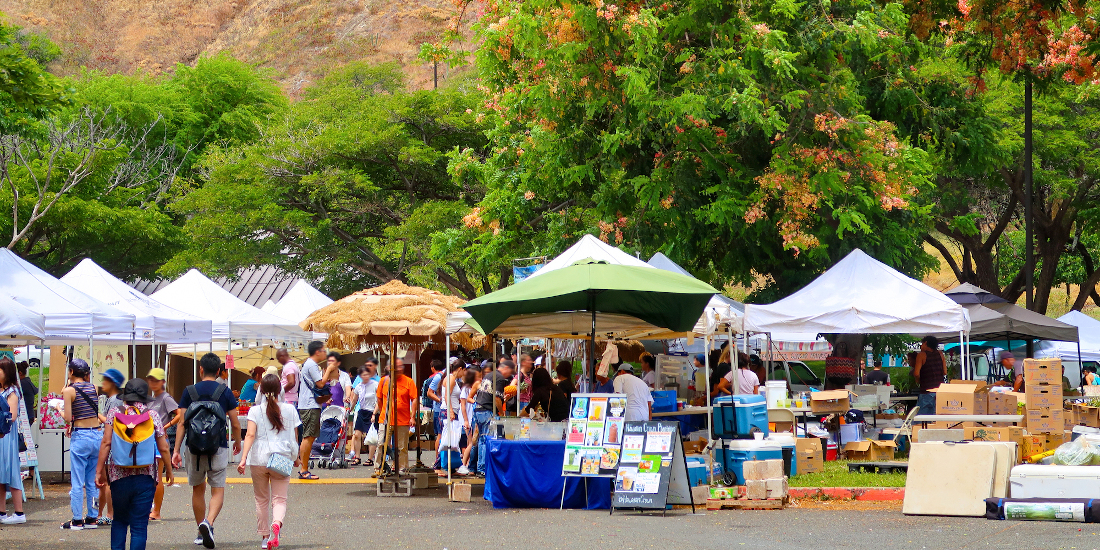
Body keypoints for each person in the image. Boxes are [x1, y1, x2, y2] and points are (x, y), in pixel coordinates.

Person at [173, 352, 242, 549]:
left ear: (200, 369)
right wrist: (237, 442)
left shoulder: (189, 391)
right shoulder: (225, 392)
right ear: (219, 371)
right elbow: (235, 423)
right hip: (217, 446)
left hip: (193, 447)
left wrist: (176, 449)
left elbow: (181, 423)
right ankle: (209, 524)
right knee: (217, 490)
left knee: (197, 489)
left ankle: (199, 531)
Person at [95, 378, 173, 550]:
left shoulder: (114, 413)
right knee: (139, 525)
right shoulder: (152, 415)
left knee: (120, 521)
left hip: (118, 476)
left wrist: (99, 470)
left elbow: (106, 443)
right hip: (145, 477)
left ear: (126, 396)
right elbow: (164, 447)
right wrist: (169, 470)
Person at [237, 375, 300, 550]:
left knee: (261, 499)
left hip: (258, 458)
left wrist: (243, 459)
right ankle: (277, 524)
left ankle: (265, 537)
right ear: (280, 390)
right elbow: (295, 437)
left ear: (261, 390)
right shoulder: (290, 409)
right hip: (282, 457)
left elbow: (249, 435)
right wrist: (297, 458)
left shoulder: (255, 411)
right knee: (279, 499)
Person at [61, 358, 102, 531]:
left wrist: (58, 409)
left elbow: (69, 417)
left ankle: (77, 520)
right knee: (92, 480)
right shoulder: (94, 387)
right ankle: (92, 517)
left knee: (77, 481)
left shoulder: (69, 390)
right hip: (97, 435)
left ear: (71, 372)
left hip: (81, 437)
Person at [296, 341, 337, 480]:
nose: (325, 353)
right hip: (309, 405)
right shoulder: (312, 365)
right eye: (323, 351)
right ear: (317, 352)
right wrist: (330, 370)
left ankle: (304, 467)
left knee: (309, 436)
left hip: (308, 404)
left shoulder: (309, 364)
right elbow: (320, 384)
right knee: (308, 437)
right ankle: (304, 469)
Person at [145, 368, 180, 521]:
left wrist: (165, 426)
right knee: (149, 476)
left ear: (163, 382)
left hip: (159, 438)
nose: (152, 383)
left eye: (155, 380)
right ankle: (151, 508)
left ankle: (157, 511)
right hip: (148, 438)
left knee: (157, 476)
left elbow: (179, 414)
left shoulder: (166, 397)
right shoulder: (151, 398)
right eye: (150, 380)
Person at [374, 358, 418, 474]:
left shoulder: (409, 381)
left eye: (401, 367)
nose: (399, 369)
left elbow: (414, 399)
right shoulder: (384, 381)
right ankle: (379, 467)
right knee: (381, 443)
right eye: (396, 367)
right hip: (385, 419)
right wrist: (384, 409)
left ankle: (401, 467)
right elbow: (379, 397)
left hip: (403, 419)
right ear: (389, 368)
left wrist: (412, 416)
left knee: (402, 447)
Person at [473, 360, 513, 476]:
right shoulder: (499, 378)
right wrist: (501, 413)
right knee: (486, 440)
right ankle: (483, 468)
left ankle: (480, 467)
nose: (509, 375)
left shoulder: (490, 375)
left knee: (482, 439)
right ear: (505, 368)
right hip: (487, 410)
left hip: (478, 409)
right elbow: (496, 398)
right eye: (509, 372)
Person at [97, 367, 126, 527]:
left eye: (105, 380)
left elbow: (109, 421)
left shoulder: (115, 400)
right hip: (114, 442)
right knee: (105, 480)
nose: (103, 383)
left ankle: (110, 513)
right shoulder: (114, 398)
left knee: (108, 481)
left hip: (112, 443)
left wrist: (96, 414)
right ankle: (102, 512)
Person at [0, 357, 26, 525]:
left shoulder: (12, 392)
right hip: (2, 435)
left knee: (11, 472)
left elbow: (12, 416)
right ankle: (2, 511)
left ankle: (19, 512)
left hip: (7, 436)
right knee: (1, 474)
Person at [437, 358, 466, 473]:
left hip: (451, 410)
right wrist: (451, 411)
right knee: (447, 440)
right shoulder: (451, 378)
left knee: (450, 439)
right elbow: (446, 396)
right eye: (464, 370)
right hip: (448, 411)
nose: (464, 373)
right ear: (459, 369)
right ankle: (440, 465)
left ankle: (450, 465)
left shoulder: (450, 378)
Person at [348, 359, 380, 467]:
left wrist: (374, 414)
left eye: (367, 374)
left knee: (371, 436)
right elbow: (354, 400)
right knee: (357, 434)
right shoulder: (359, 386)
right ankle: (357, 457)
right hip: (362, 411)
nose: (365, 376)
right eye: (363, 375)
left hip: (372, 412)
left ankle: (370, 458)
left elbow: (379, 401)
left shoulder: (375, 384)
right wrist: (349, 409)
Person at [913, 336, 946, 416]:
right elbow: (945, 372)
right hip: (939, 390)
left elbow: (916, 373)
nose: (921, 346)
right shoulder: (940, 354)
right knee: (936, 418)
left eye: (922, 343)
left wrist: (918, 380)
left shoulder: (921, 355)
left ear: (926, 343)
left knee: (922, 419)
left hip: (926, 391)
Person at [457, 368, 481, 476]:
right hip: (468, 419)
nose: (480, 378)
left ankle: (466, 465)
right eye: (477, 376)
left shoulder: (474, 387)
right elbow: (463, 406)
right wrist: (466, 420)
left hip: (473, 418)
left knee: (470, 443)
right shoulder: (466, 389)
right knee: (471, 443)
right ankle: (463, 465)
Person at [16, 361, 37, 427]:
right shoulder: (27, 381)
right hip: (29, 415)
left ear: (20, 373)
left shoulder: (22, 384)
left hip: (25, 415)